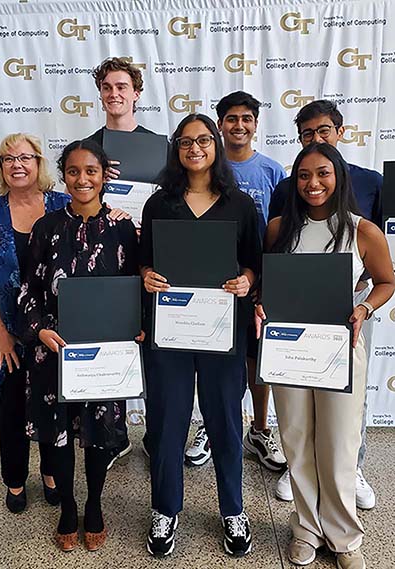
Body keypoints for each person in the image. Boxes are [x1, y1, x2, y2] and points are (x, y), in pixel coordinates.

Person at [255, 142, 394, 569]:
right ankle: (305, 528)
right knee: (296, 441)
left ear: (338, 177)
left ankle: (345, 537)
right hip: (288, 351)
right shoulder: (279, 228)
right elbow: (267, 284)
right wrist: (261, 304)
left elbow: (386, 282)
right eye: (303, 175)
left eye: (322, 174)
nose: (313, 183)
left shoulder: (362, 231)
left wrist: (364, 307)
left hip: (340, 348)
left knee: (338, 445)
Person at [140, 113, 261, 557]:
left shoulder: (240, 204)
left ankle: (233, 509)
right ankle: (166, 510)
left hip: (221, 332)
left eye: (204, 140)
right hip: (169, 331)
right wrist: (147, 275)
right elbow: (143, 260)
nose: (195, 148)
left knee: (226, 424)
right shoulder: (159, 203)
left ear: (216, 145)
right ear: (176, 148)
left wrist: (247, 280)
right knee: (167, 424)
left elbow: (254, 262)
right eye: (186, 141)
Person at [18, 139, 139, 551]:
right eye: (73, 171)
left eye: (91, 171)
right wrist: (40, 330)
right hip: (54, 350)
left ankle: (94, 505)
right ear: (64, 176)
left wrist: (137, 326)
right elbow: (28, 292)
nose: (82, 179)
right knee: (59, 436)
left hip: (105, 355)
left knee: (98, 435)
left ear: (105, 175)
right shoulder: (46, 227)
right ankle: (68, 506)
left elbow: (136, 290)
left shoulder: (124, 228)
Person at [268, 100, 382, 508]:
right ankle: (302, 493)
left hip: (345, 316)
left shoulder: (371, 184)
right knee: (298, 422)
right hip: (293, 329)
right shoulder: (284, 198)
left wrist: (364, 300)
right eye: (307, 134)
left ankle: (351, 472)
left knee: (346, 416)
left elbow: (383, 266)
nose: (312, 182)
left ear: (340, 132)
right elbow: (274, 266)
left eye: (323, 131)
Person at [185, 91, 286, 472]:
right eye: (231, 118)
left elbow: (281, 230)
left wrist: (264, 280)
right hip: (213, 289)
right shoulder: (205, 168)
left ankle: (259, 430)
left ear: (256, 124)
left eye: (247, 118)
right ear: (220, 125)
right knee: (213, 361)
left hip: (259, 281)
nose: (239, 125)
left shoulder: (273, 172)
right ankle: (212, 427)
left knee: (256, 362)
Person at [0, 133, 69, 513]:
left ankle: (51, 473)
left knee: (53, 405)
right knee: (11, 408)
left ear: (39, 164)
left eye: (25, 157)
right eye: (8, 159)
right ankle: (14, 480)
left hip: (56, 332)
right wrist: (1, 335)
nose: (17, 164)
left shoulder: (63, 206)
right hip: (7, 332)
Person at [88, 57, 163, 467]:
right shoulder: (87, 148)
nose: (114, 94)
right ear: (100, 94)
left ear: (136, 92)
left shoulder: (161, 147)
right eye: (107, 87)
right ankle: (114, 436)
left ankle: (156, 434)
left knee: (153, 349)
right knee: (111, 344)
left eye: (122, 86)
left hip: (149, 259)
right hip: (105, 263)